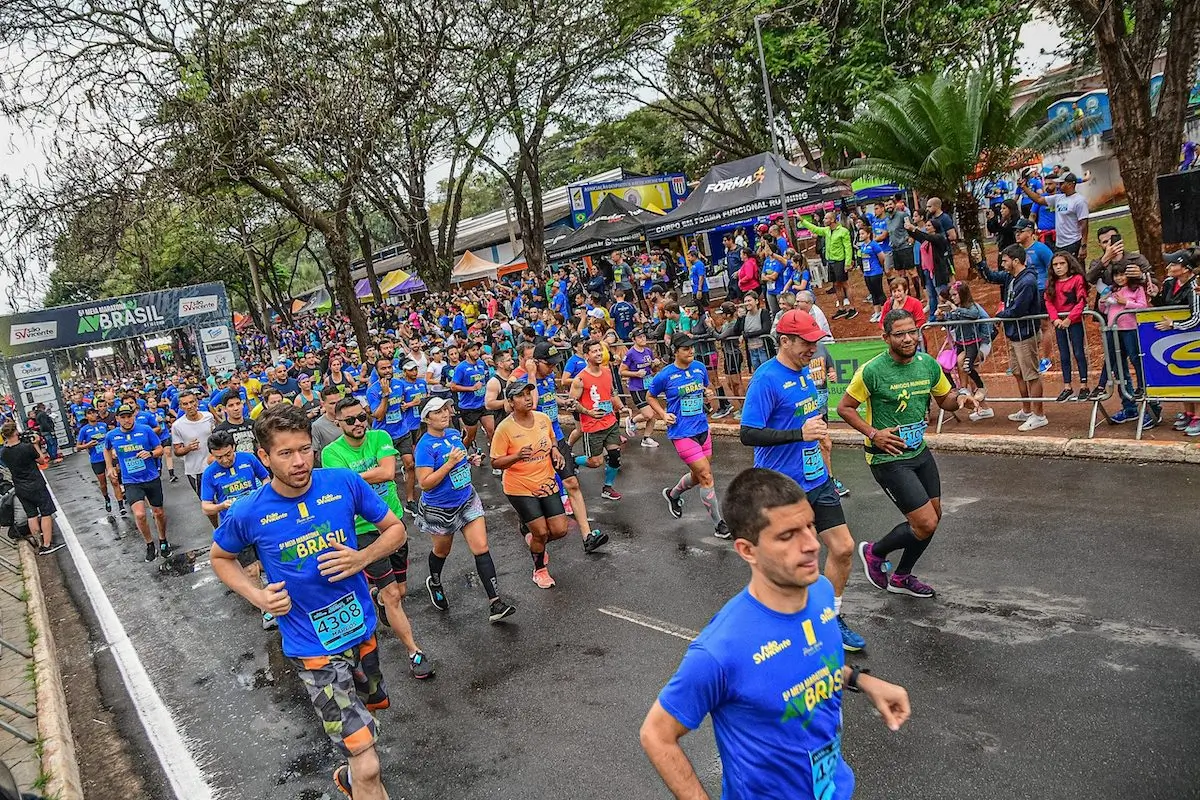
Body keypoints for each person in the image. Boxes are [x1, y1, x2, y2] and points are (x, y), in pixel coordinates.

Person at [640, 468, 910, 800]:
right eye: (787, 536)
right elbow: (657, 734)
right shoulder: (721, 649)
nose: (811, 544)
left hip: (835, 789)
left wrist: (862, 681)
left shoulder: (821, 591)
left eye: (810, 525)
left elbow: (807, 665)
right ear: (747, 550)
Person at [211, 404, 405, 800]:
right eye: (286, 453)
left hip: (361, 630)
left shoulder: (343, 482)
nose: (299, 461)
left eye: (304, 449)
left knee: (371, 713)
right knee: (367, 761)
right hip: (311, 647)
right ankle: (361, 775)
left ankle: (352, 778)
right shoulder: (249, 511)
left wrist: (362, 558)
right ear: (264, 456)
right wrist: (259, 597)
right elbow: (220, 557)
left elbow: (395, 530)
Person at [739, 308, 866, 650]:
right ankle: (777, 622)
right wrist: (800, 434)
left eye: (815, 341)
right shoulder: (766, 379)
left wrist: (822, 441)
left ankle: (830, 617)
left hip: (817, 478)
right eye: (806, 342)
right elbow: (748, 433)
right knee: (790, 562)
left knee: (843, 547)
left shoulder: (806, 372)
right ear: (784, 341)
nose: (813, 348)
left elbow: (808, 416)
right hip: (781, 487)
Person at [839, 309, 978, 599]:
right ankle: (875, 552)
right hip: (887, 456)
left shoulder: (927, 365)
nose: (908, 338)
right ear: (886, 337)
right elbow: (845, 408)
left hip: (918, 451)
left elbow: (945, 399)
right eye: (900, 334)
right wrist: (874, 434)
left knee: (934, 517)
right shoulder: (872, 371)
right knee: (925, 522)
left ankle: (902, 577)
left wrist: (961, 399)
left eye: (912, 331)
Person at [321, 397, 433, 680]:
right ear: (338, 423)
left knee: (401, 591)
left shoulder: (380, 436)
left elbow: (387, 472)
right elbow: (364, 478)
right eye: (350, 421)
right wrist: (363, 478)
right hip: (362, 530)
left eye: (362, 417)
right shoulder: (331, 453)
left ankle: (378, 598)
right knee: (393, 594)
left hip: (392, 522)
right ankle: (414, 652)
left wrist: (355, 477)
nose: (358, 423)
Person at [413, 396, 516, 623]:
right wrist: (450, 463)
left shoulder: (452, 434)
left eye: (445, 409)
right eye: (437, 412)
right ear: (426, 418)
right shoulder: (424, 447)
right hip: (440, 508)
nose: (444, 414)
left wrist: (468, 460)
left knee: (481, 547)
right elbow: (425, 483)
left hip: (466, 499)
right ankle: (435, 581)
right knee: (442, 551)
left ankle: (495, 603)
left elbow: (457, 461)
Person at [527, 342, 609, 555]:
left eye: (554, 364)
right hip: (536, 444)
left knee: (572, 483)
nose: (553, 368)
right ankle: (532, 533)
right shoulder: (524, 381)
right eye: (549, 364)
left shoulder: (547, 379)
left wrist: (563, 402)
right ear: (536, 362)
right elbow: (532, 405)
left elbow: (548, 398)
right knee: (538, 491)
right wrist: (531, 375)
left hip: (557, 438)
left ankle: (588, 537)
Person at [647, 333, 730, 540]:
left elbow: (706, 389)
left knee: (698, 475)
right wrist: (663, 414)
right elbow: (650, 396)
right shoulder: (665, 375)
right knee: (706, 476)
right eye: (686, 348)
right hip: (681, 432)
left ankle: (673, 494)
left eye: (692, 348)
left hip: (702, 428)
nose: (691, 351)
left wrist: (708, 394)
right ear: (675, 351)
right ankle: (719, 524)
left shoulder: (699, 368)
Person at [490, 381, 569, 589]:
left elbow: (551, 438)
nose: (527, 398)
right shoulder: (504, 428)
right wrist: (516, 456)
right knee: (541, 532)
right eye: (520, 395)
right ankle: (539, 569)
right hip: (520, 487)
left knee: (560, 530)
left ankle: (533, 539)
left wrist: (555, 450)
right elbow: (495, 462)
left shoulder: (543, 418)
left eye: (528, 394)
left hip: (546, 481)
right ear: (510, 402)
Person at [979, 244, 1048, 431]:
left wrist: (1000, 315)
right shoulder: (1011, 276)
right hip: (1014, 333)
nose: (1002, 264)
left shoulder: (1027, 281)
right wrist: (980, 263)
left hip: (1025, 334)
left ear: (1016, 261)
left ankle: (1039, 414)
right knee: (1018, 372)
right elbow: (992, 277)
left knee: (1031, 375)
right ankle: (1026, 410)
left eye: (1005, 261)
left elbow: (1018, 309)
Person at [104, 404, 171, 562]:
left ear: (133, 416)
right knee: (140, 514)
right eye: (123, 417)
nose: (127, 420)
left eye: (129, 416)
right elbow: (106, 449)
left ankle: (163, 540)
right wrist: (109, 467)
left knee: (158, 513)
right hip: (131, 481)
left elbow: (160, 449)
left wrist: (150, 453)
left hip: (151, 477)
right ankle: (149, 544)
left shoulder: (145, 430)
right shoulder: (112, 435)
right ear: (117, 418)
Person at [570, 339, 630, 501]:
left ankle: (607, 487)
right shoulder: (580, 379)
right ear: (586, 355)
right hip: (592, 427)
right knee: (595, 462)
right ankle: (573, 460)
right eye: (594, 351)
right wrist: (588, 412)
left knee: (615, 456)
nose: (599, 354)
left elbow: (611, 392)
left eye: (600, 350)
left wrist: (621, 407)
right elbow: (571, 403)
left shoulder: (607, 371)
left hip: (610, 422)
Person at [0, 422, 64, 555]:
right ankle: (47, 544)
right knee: (46, 513)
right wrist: (35, 444)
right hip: (35, 483)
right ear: (15, 432)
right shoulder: (26, 448)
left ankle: (39, 543)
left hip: (20, 486)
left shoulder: (4, 452)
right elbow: (42, 460)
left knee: (31, 515)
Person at [1044, 251, 1090, 402]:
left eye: (1062, 263)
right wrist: (1055, 319)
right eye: (1055, 264)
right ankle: (1067, 386)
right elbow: (1049, 301)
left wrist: (1070, 318)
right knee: (1064, 354)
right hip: (1059, 323)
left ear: (1069, 264)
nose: (1058, 267)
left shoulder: (1077, 279)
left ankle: (1084, 385)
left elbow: (1081, 301)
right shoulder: (1051, 283)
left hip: (1074, 322)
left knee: (1078, 352)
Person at [1019, 172, 1089, 259]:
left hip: (1073, 242)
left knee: (1075, 266)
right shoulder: (1058, 198)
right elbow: (1038, 199)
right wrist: (1024, 187)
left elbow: (1084, 224)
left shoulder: (1079, 201)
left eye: (1062, 183)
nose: (1059, 185)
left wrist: (1083, 245)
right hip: (1059, 244)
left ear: (1070, 185)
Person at [799, 212, 855, 318]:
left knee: (845, 284)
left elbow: (848, 248)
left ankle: (852, 308)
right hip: (831, 262)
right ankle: (841, 308)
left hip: (840, 261)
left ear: (832, 220)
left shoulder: (843, 231)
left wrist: (847, 263)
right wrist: (802, 220)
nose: (824, 220)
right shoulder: (827, 230)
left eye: (826, 218)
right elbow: (815, 229)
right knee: (836, 285)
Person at [170, 391, 216, 517]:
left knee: (224, 500)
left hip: (214, 465)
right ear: (181, 407)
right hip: (195, 471)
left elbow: (216, 436)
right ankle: (217, 527)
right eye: (185, 404)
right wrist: (188, 448)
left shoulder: (208, 417)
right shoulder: (177, 426)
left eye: (192, 402)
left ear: (197, 402)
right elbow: (177, 451)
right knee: (208, 505)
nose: (190, 406)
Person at [75, 405, 123, 514]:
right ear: (86, 416)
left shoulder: (103, 425)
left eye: (94, 412)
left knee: (114, 480)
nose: (93, 415)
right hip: (96, 460)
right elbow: (77, 447)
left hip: (108, 457)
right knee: (103, 483)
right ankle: (107, 499)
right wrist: (88, 445)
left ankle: (121, 505)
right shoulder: (84, 430)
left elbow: (110, 439)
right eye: (90, 413)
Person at [619, 328, 661, 447]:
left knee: (653, 413)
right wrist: (636, 374)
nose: (643, 339)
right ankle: (632, 420)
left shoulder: (648, 351)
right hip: (637, 387)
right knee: (648, 414)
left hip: (649, 385)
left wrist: (655, 364)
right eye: (639, 337)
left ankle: (646, 438)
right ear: (634, 340)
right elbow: (621, 371)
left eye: (644, 336)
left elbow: (653, 369)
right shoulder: (630, 353)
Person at [393, 360, 427, 507]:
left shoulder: (422, 383)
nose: (414, 372)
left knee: (418, 455)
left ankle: (419, 485)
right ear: (404, 372)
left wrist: (416, 403)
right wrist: (411, 404)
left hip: (422, 422)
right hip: (409, 424)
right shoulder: (402, 385)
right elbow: (401, 405)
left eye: (415, 369)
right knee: (413, 459)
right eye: (410, 370)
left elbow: (425, 398)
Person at [449, 340, 490, 454]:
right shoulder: (461, 368)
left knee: (492, 431)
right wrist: (472, 388)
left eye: (477, 350)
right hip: (469, 407)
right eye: (473, 350)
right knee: (470, 437)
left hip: (483, 404)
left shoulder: (481, 363)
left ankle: (494, 458)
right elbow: (453, 386)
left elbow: (485, 379)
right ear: (466, 353)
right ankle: (463, 455)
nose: (477, 352)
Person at [311, 385, 345, 463]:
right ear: (323, 404)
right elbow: (314, 452)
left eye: (339, 402)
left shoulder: (351, 418)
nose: (336, 406)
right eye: (332, 403)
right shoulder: (317, 426)